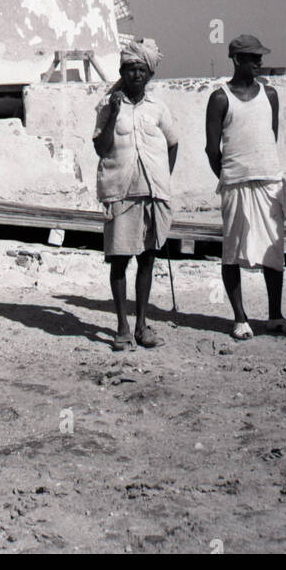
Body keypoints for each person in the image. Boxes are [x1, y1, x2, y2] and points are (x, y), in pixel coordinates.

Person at [205, 34, 286, 340]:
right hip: (235, 184)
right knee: (232, 251)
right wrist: (230, 175)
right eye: (253, 58)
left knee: (274, 250)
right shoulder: (220, 98)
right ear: (237, 60)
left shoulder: (270, 94)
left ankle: (275, 315)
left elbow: (271, 135)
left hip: (270, 181)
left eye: (260, 57)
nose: (259, 63)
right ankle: (240, 318)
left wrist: (261, 169)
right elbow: (211, 149)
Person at [93, 38, 179, 351]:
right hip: (120, 193)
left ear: (149, 73)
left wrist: (162, 177)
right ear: (121, 71)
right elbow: (101, 148)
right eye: (130, 69)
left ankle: (142, 325)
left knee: (147, 258)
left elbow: (172, 143)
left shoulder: (158, 107)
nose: (136, 75)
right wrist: (114, 113)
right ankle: (122, 326)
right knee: (119, 261)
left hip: (152, 193)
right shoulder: (106, 105)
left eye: (141, 69)